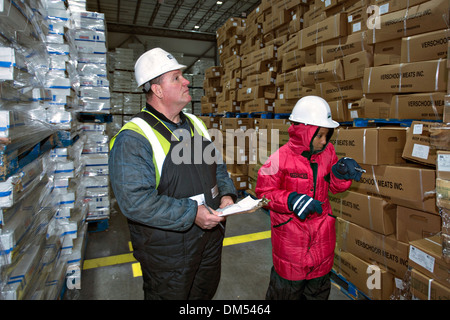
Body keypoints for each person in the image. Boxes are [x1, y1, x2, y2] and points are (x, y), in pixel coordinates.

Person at [109, 47, 238, 300]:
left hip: (209, 241)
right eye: (177, 77)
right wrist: (192, 214)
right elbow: (135, 201)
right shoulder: (134, 137)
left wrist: (226, 195)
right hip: (168, 253)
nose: (187, 81)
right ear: (157, 90)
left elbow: (218, 167)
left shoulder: (196, 124)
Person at [255, 95, 363, 300]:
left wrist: (340, 175)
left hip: (323, 242)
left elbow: (334, 187)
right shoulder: (279, 158)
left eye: (327, 135)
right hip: (291, 244)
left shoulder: (328, 152)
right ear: (304, 131)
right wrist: (290, 200)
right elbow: (263, 193)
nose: (324, 141)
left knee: (317, 293)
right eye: (319, 135)